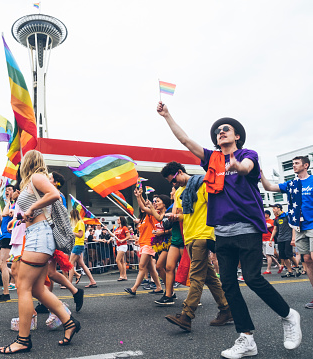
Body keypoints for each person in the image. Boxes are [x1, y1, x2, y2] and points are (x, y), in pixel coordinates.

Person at [157, 102, 301, 356]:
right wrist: (168, 116)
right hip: (221, 231)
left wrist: (236, 166)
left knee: (254, 279)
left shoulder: (248, 155)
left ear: (236, 136)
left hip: (247, 227)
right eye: (218, 131)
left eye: (226, 129)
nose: (221, 132)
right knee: (229, 284)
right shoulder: (211, 159)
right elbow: (185, 140)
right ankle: (246, 339)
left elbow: (247, 169)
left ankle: (289, 316)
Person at [0, 150, 80, 354]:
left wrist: (32, 207)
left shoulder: (37, 176)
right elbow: (37, 210)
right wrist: (23, 218)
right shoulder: (30, 182)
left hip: (39, 237)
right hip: (35, 235)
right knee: (37, 289)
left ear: (28, 162)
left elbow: (55, 195)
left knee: (23, 287)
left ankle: (23, 340)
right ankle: (69, 322)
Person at [160, 161, 232, 330]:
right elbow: (183, 216)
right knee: (210, 278)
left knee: (196, 276)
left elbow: (215, 208)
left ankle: (187, 315)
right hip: (189, 237)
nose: (174, 184)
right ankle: (226, 309)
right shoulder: (179, 193)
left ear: (179, 171)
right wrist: (173, 217)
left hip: (203, 235)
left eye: (174, 180)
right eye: (171, 182)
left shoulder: (202, 185)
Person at [261, 156, 313, 308]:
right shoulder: (291, 184)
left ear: (306, 165)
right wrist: (261, 175)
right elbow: (269, 188)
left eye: (296, 163)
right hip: (299, 227)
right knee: (307, 260)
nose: (294, 166)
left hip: (312, 225)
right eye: (293, 164)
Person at [124, 191, 163, 296]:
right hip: (143, 244)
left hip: (149, 244)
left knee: (142, 266)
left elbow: (143, 205)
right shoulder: (144, 218)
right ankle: (159, 287)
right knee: (151, 267)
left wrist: (139, 196)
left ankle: (134, 288)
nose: (143, 207)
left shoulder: (152, 215)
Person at [0, 184, 16, 301]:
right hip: (3, 236)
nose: (7, 191)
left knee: (4, 265)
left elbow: (6, 214)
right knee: (0, 266)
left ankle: (6, 293)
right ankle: (17, 275)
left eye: (9, 190)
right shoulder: (7, 204)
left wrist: (8, 202)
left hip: (8, 236)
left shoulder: (13, 204)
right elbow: (2, 219)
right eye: (6, 190)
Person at [68, 209, 97, 288]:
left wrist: (72, 232)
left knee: (71, 264)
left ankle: (69, 283)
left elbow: (80, 235)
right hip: (78, 244)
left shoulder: (80, 223)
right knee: (81, 264)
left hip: (78, 245)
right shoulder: (79, 223)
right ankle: (92, 281)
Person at [270, 204, 300, 278]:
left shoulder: (287, 215)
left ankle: (297, 266)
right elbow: (275, 229)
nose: (273, 209)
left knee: (288, 254)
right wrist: (271, 239)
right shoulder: (276, 219)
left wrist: (293, 238)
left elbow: (293, 227)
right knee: (283, 256)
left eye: (274, 208)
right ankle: (290, 271)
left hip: (288, 238)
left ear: (279, 208)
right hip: (280, 239)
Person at [262, 210, 280, 274]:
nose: (263, 215)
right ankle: (279, 265)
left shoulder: (272, 221)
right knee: (267, 255)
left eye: (265, 214)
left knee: (268, 255)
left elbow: (266, 226)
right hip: (263, 240)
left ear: (268, 215)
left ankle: (268, 270)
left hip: (269, 240)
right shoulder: (263, 221)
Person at [114, 216, 131, 281]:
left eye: (118, 219)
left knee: (117, 260)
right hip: (118, 245)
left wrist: (123, 240)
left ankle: (121, 275)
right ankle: (124, 275)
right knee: (122, 261)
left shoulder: (124, 228)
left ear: (121, 220)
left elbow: (128, 236)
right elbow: (115, 235)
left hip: (123, 245)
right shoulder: (118, 228)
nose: (117, 220)